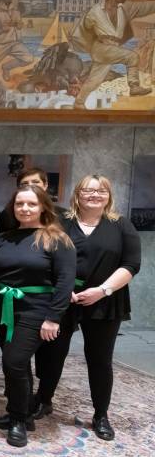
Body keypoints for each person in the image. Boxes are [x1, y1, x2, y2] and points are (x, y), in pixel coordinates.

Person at [32, 175, 141, 441]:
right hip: (64, 297)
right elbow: (45, 257)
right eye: (88, 190)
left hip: (105, 298)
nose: (95, 195)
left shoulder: (121, 225)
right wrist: (61, 288)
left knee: (100, 358)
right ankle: (43, 400)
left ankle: (101, 414)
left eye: (101, 190)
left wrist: (102, 291)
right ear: (77, 194)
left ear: (109, 196)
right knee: (52, 353)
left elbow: (131, 265)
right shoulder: (61, 222)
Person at [0, 185, 75, 447]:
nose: (24, 208)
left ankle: (19, 421)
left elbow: (65, 281)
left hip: (36, 309)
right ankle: (19, 412)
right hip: (4, 308)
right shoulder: (4, 239)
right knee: (16, 364)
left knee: (14, 361)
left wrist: (53, 318)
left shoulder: (57, 239)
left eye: (31, 204)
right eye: (19, 204)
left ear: (43, 206)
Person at [69, 0, 155, 109]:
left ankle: (79, 103)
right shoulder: (95, 11)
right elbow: (84, 29)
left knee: (94, 81)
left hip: (112, 49)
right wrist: (94, 40)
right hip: (101, 48)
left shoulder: (124, 9)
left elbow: (144, 7)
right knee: (132, 57)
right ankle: (134, 86)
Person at [0, 167, 65, 233]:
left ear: (45, 185)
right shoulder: (8, 215)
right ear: (19, 187)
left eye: (35, 182)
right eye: (25, 183)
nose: (30, 186)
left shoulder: (63, 215)